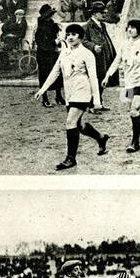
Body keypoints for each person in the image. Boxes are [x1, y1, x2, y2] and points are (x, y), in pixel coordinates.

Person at [33, 24, 108, 171]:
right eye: (68, 35)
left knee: (70, 122)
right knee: (78, 125)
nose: (70, 37)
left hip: (82, 90)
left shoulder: (87, 54)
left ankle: (70, 159)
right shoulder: (64, 53)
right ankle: (100, 137)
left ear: (80, 37)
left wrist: (97, 101)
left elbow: (93, 78)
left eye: (74, 34)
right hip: (70, 92)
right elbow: (55, 72)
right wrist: (43, 90)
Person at [102, 18, 140, 155]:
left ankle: (135, 142)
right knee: (132, 109)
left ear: (139, 30)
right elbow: (116, 61)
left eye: (133, 27)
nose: (130, 29)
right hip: (128, 83)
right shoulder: (124, 45)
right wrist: (107, 76)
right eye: (128, 27)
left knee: (135, 109)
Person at [82, 2, 117, 107]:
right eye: (101, 12)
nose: (104, 14)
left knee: (102, 80)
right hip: (94, 58)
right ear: (94, 14)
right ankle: (92, 104)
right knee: (95, 81)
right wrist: (93, 46)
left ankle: (99, 102)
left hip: (104, 56)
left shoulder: (102, 25)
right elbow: (83, 41)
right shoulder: (87, 26)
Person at [34, 4, 63, 106]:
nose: (51, 17)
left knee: (58, 74)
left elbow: (55, 37)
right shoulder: (41, 27)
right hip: (44, 55)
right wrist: (55, 42)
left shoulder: (51, 24)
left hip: (53, 53)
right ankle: (44, 98)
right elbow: (42, 43)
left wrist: (58, 41)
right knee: (44, 76)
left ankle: (58, 96)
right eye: (50, 15)